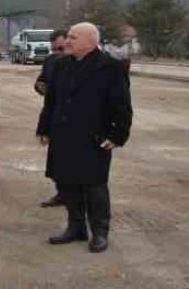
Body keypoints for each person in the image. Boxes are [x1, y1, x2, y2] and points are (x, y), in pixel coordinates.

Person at [36, 22, 132, 253]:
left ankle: (99, 232)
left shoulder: (110, 67)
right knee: (68, 184)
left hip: (93, 137)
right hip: (63, 135)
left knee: (94, 187)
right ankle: (76, 228)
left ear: (91, 41)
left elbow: (122, 106)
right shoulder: (61, 66)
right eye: (68, 36)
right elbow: (51, 101)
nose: (67, 41)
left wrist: (117, 135)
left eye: (73, 37)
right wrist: (44, 128)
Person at [34, 29, 69, 208]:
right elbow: (40, 83)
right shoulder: (50, 61)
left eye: (61, 49)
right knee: (56, 161)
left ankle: (77, 197)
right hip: (55, 116)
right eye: (54, 50)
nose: (58, 53)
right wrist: (47, 89)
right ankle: (61, 193)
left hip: (76, 121)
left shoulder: (82, 63)